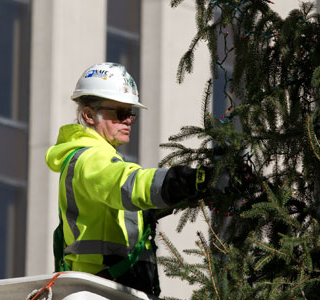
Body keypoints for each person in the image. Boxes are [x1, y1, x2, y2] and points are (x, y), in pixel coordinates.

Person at [45, 62, 211, 296]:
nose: (129, 120)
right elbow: (129, 185)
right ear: (89, 115)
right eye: (121, 113)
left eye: (131, 114)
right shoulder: (91, 158)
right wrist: (188, 180)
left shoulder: (102, 157)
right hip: (101, 289)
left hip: (117, 288)